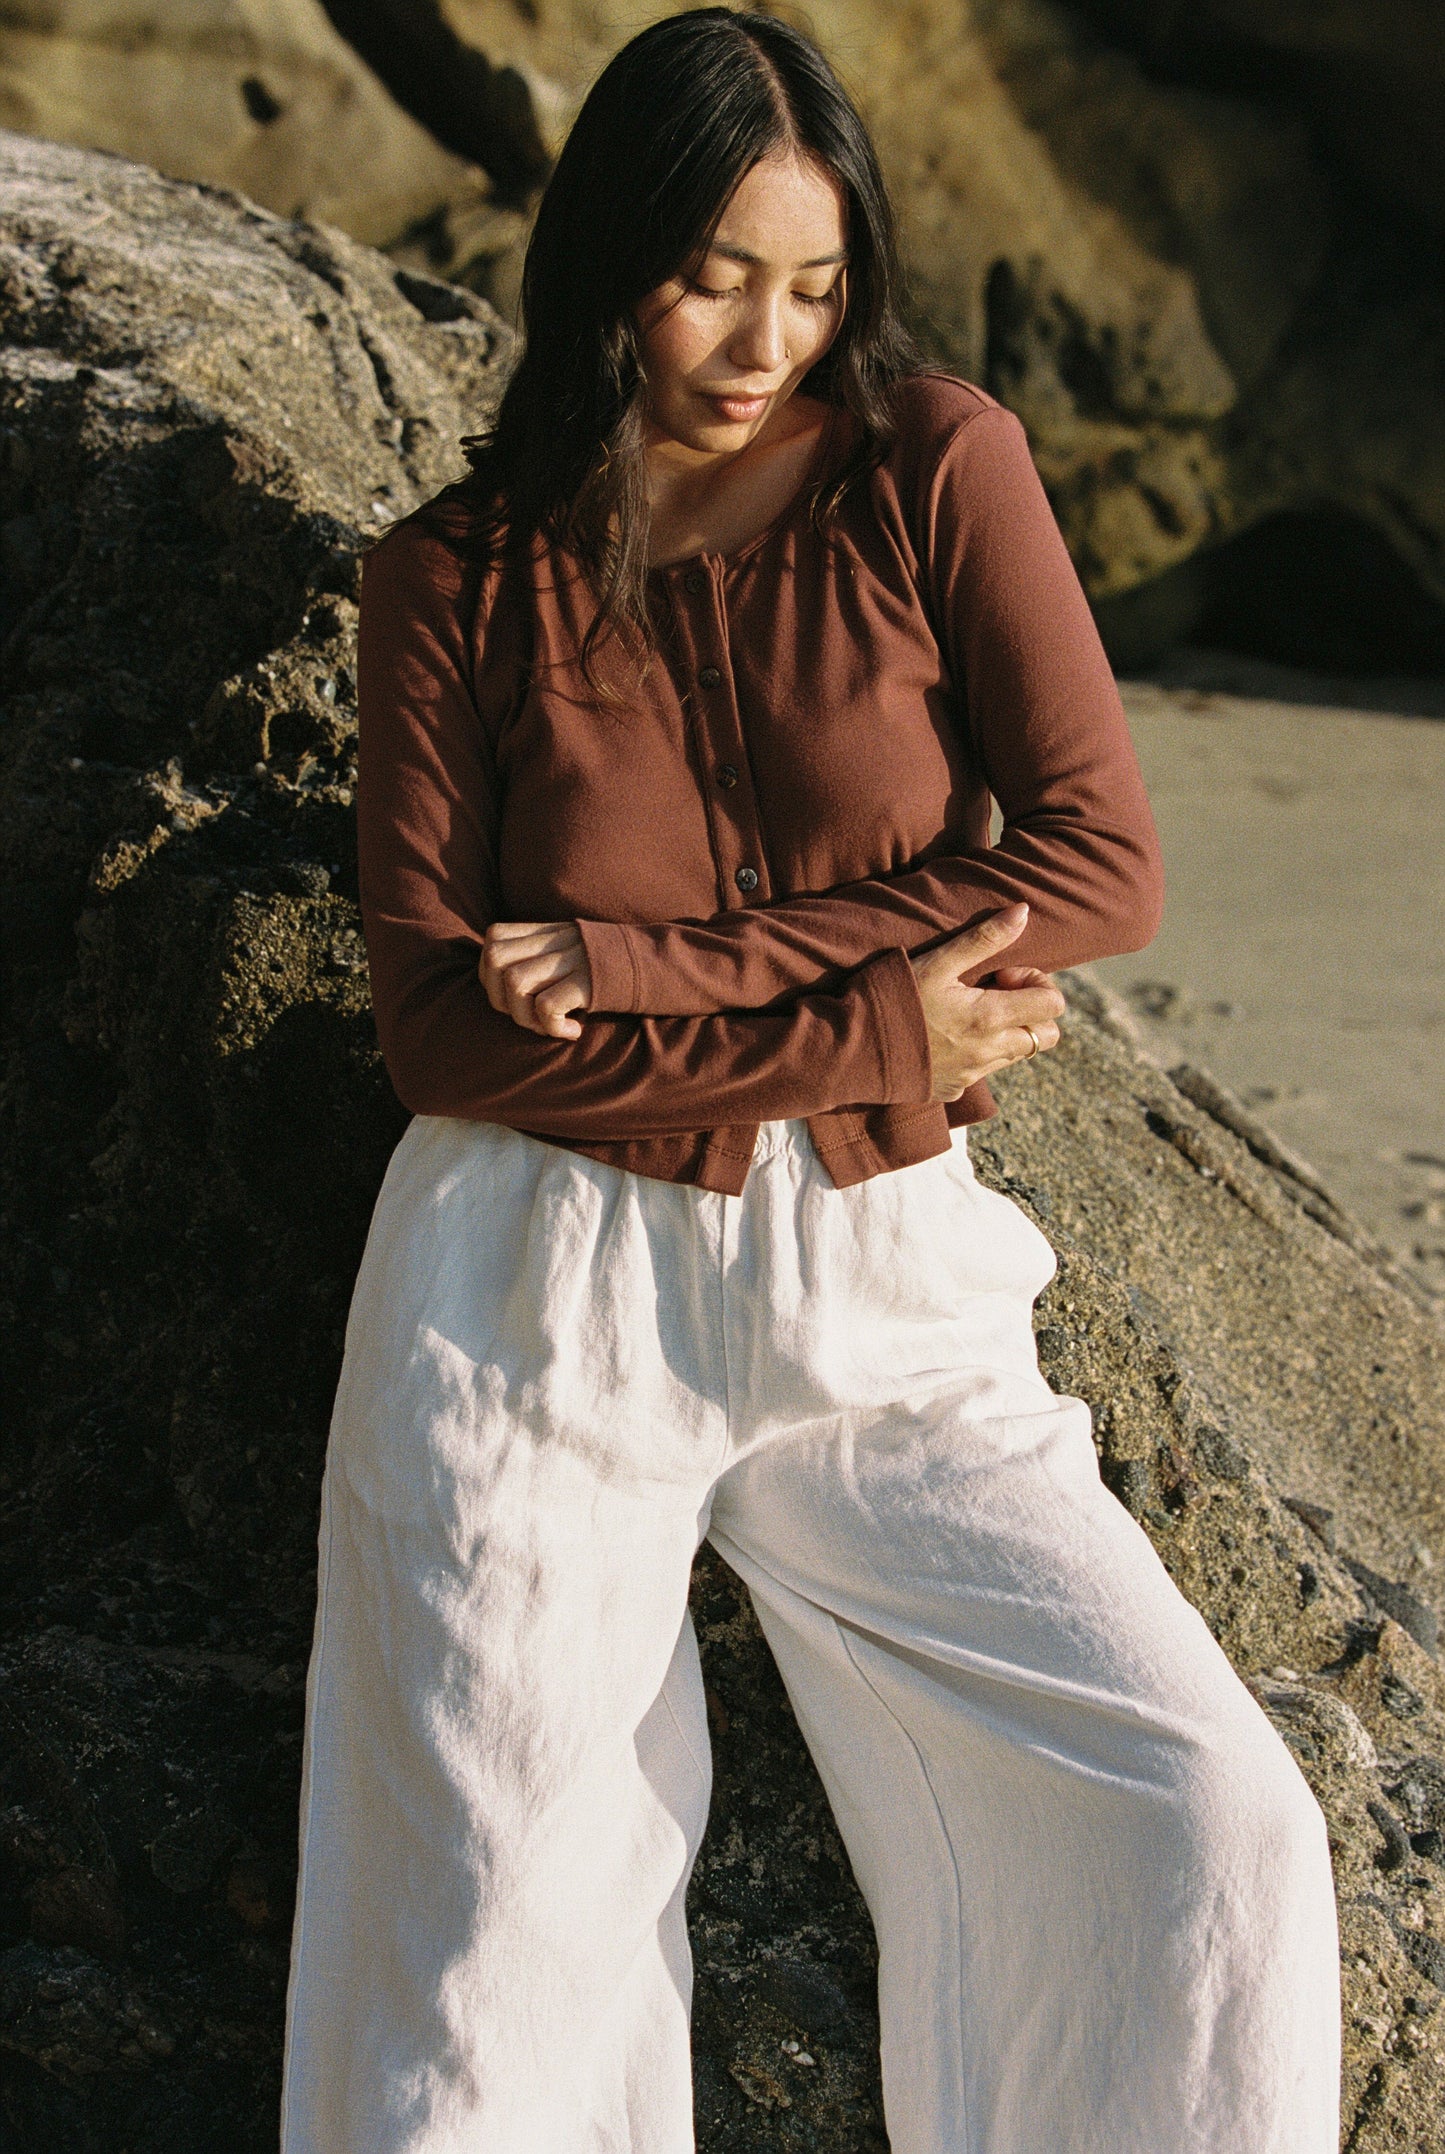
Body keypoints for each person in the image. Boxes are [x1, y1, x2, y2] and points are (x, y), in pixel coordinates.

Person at [278, 10, 1342, 2150]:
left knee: (1202, 1829)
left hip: (883, 1285)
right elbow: (442, 1025)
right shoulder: (453, 582)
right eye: (711, 275)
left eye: (817, 280)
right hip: (528, 1289)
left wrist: (673, 970)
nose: (765, 334)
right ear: (610, 261)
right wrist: (880, 1016)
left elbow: (1093, 862)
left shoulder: (932, 463)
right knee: (492, 1960)